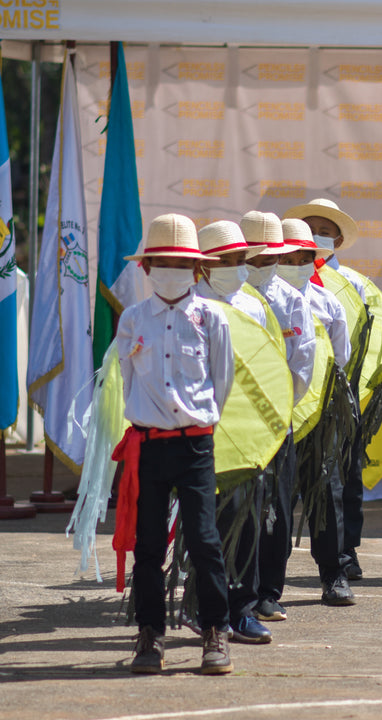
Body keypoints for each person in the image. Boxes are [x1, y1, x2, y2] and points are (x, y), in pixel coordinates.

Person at [113, 213, 235, 675]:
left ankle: (215, 631)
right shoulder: (132, 320)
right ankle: (150, 635)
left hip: (195, 446)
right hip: (148, 447)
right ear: (146, 268)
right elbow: (127, 380)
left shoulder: (211, 317)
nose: (170, 271)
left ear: (197, 271)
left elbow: (221, 382)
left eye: (181, 264)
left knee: (204, 540)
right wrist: (149, 419)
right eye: (161, 262)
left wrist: (193, 422)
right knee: (147, 546)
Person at [191, 220, 274, 645]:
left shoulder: (255, 306)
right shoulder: (189, 306)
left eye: (242, 260)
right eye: (228, 261)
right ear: (204, 266)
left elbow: (268, 369)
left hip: (244, 432)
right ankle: (201, 606)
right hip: (196, 429)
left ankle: (242, 609)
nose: (238, 269)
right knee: (203, 525)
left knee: (247, 520)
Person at [285, 198, 367, 580]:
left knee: (327, 488)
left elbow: (343, 356)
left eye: (307, 254)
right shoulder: (256, 299)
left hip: (321, 410)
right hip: (272, 414)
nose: (299, 262)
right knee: (277, 495)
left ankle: (334, 571)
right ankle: (266, 585)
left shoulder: (338, 295)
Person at [240, 211, 316, 623]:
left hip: (274, 423)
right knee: (235, 508)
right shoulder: (217, 298)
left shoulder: (292, 302)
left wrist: (274, 410)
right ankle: (237, 590)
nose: (261, 267)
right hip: (228, 426)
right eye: (252, 260)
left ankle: (269, 591)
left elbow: (301, 367)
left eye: (270, 259)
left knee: (277, 510)